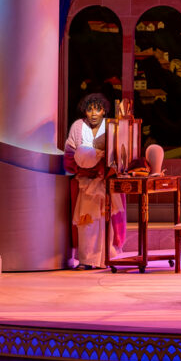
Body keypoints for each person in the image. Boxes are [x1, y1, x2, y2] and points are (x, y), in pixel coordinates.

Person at [63, 93, 126, 270]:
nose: (93, 113)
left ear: (104, 110)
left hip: (104, 182)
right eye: (90, 109)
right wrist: (86, 169)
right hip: (86, 183)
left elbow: (118, 154)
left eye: (97, 109)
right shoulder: (77, 127)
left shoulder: (110, 126)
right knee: (87, 222)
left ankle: (105, 257)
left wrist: (104, 169)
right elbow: (69, 156)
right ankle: (86, 259)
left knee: (105, 220)